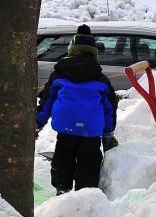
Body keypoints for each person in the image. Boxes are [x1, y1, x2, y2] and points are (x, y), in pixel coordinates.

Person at [36, 25, 118, 195]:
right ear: (94, 53)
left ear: (71, 51)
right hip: (91, 130)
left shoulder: (59, 74)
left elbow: (47, 100)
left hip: (66, 126)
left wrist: (38, 122)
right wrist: (108, 132)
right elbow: (109, 107)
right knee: (89, 162)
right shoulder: (101, 79)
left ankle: (62, 188)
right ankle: (85, 194)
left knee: (63, 156)